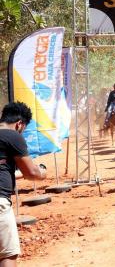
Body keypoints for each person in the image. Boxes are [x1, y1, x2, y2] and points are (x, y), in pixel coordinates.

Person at [0, 102, 46, 266]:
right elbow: (31, 172)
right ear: (19, 124)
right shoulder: (12, 136)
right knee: (7, 255)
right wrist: (41, 173)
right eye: (24, 129)